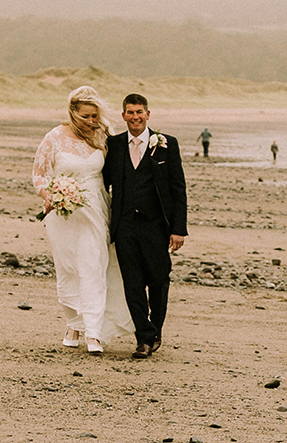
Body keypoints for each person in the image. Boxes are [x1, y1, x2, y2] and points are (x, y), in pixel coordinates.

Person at [32, 86, 134, 355]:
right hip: (63, 214)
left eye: (95, 116)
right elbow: (39, 175)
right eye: (87, 117)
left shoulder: (102, 135)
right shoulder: (54, 137)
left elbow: (120, 169)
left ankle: (94, 331)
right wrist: (50, 195)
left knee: (93, 264)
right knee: (68, 268)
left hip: (96, 210)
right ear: (73, 113)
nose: (92, 122)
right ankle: (73, 323)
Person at [102, 93, 188, 360]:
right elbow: (102, 182)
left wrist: (178, 228)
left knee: (159, 281)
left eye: (139, 112)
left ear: (148, 114)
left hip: (156, 227)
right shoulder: (114, 145)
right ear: (123, 115)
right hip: (125, 226)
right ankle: (144, 338)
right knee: (133, 284)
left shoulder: (166, 145)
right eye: (130, 112)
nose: (135, 117)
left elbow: (178, 189)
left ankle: (155, 330)